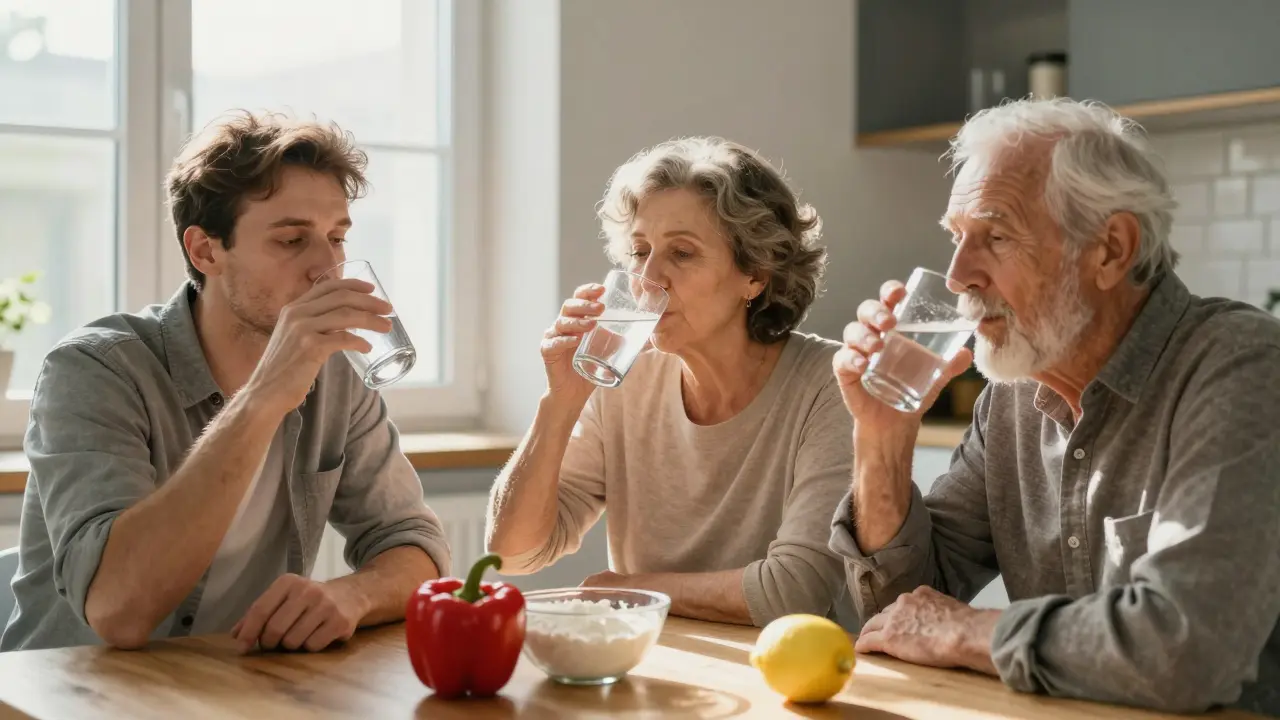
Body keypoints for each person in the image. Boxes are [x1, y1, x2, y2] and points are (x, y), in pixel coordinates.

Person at [829, 98, 1280, 716]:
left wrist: (966, 631)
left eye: (995, 236)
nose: (958, 276)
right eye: (956, 238)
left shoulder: (1242, 366)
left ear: (1110, 250)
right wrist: (882, 438)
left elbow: (1186, 649)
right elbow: (898, 610)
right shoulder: (1013, 395)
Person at [1, 111, 451, 652]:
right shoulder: (94, 371)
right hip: (76, 695)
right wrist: (264, 397)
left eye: (336, 238)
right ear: (205, 251)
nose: (325, 266)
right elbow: (118, 612)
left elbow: (414, 546)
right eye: (291, 241)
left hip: (231, 686)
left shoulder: (338, 375)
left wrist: (354, 595)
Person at [485, 137, 854, 628]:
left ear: (756, 276)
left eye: (682, 253)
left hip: (797, 674)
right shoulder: (624, 377)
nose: (648, 278)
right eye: (640, 252)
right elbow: (513, 554)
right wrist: (560, 402)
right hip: (662, 661)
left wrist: (628, 590)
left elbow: (794, 590)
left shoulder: (832, 384)